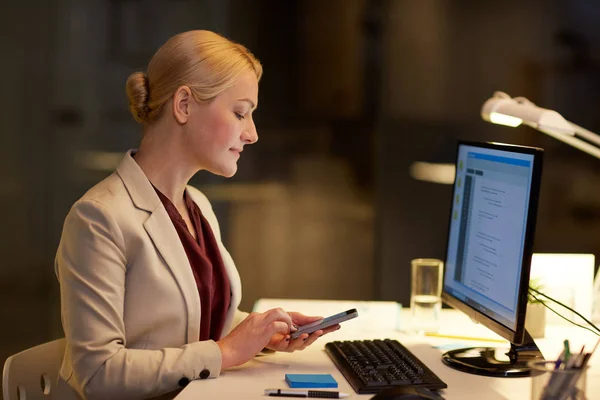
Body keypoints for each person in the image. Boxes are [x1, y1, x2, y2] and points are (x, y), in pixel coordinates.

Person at [54, 30, 340, 400]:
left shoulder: (198, 206)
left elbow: (192, 325)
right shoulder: (97, 218)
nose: (252, 133)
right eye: (240, 113)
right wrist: (226, 352)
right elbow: (98, 375)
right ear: (185, 105)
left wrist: (259, 334)